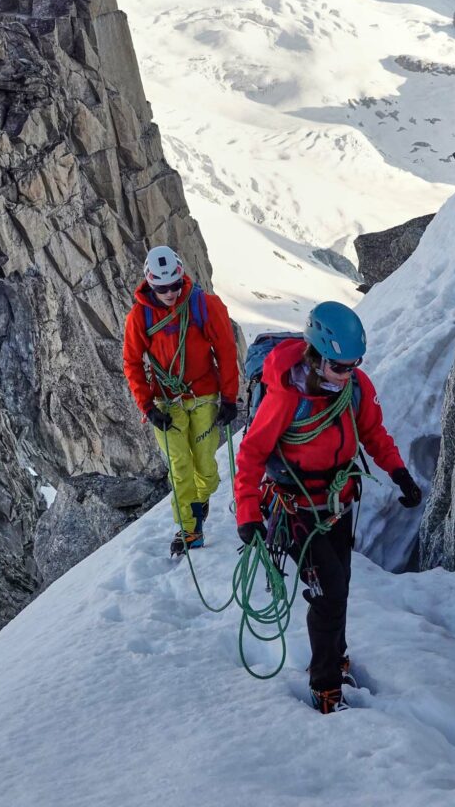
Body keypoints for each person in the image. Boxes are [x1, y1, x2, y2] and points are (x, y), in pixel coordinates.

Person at [234, 301, 421, 713]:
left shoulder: (355, 388)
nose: (347, 372)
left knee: (339, 588)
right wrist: (247, 513)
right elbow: (250, 454)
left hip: (337, 503)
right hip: (295, 509)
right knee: (329, 592)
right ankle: (326, 687)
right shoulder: (285, 394)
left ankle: (334, 660)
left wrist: (399, 472)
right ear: (316, 356)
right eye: (339, 365)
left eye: (354, 364)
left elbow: (372, 431)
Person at [124, 246, 239, 556]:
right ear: (151, 284)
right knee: (180, 466)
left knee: (206, 468)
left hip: (203, 396)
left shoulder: (204, 305)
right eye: (163, 288)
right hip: (166, 402)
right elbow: (132, 363)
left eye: (175, 285)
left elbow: (226, 351)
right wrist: (147, 406)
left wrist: (229, 398)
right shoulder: (140, 316)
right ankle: (188, 529)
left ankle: (199, 504)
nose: (171, 293)